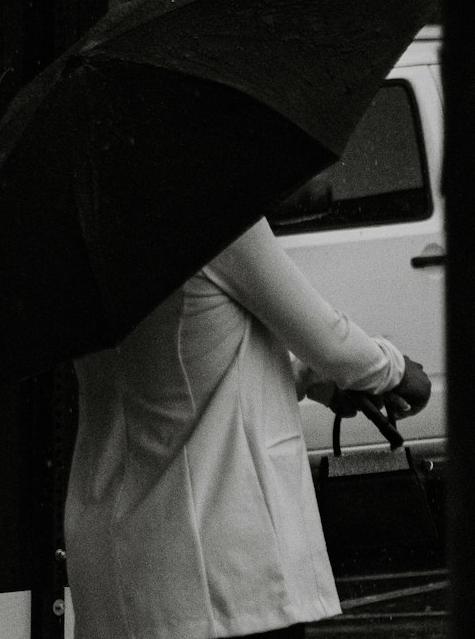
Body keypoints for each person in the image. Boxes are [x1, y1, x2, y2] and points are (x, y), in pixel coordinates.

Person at [63, 215, 431, 639]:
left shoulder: (80, 241)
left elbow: (174, 380)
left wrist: (306, 379)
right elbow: (328, 338)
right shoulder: (210, 214)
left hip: (114, 566)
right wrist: (396, 371)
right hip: (220, 566)